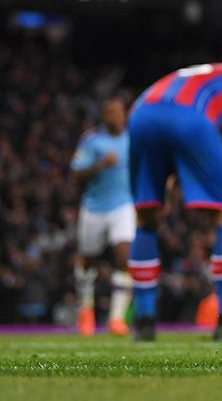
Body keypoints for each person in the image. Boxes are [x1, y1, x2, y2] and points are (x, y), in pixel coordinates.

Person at [126, 59, 222, 342]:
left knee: (146, 216)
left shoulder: (204, 71)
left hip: (140, 112)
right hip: (188, 116)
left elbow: (164, 120)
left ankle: (144, 323)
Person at [70, 98, 134, 336]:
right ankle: (85, 309)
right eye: (110, 112)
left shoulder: (132, 139)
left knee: (124, 255)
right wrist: (100, 165)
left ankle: (116, 318)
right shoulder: (92, 140)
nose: (116, 117)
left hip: (123, 205)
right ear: (103, 116)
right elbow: (76, 173)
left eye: (119, 112)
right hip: (94, 207)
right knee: (88, 260)